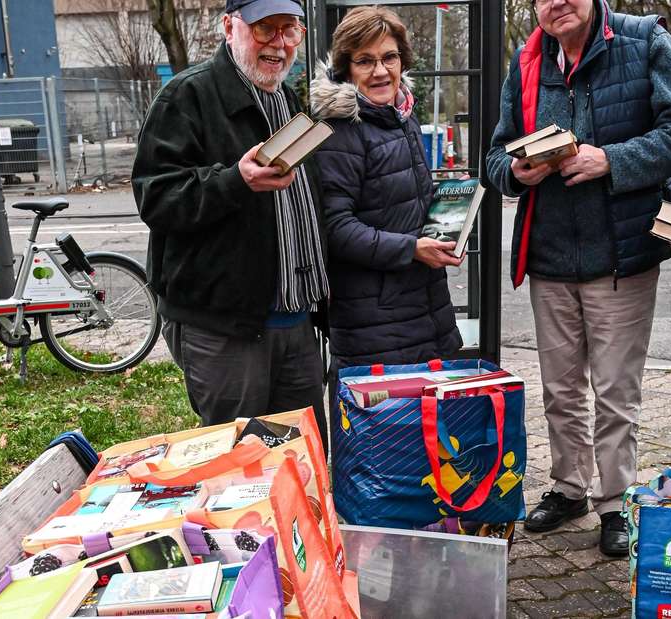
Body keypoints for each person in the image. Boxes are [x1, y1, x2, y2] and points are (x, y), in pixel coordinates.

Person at [485, 0, 671, 556]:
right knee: (560, 390)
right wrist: (515, 171)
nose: (557, 3)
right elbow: (494, 156)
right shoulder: (527, 60)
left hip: (621, 256)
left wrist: (611, 160)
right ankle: (569, 488)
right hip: (550, 257)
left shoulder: (644, 41)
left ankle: (615, 502)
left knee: (614, 393)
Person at [132, 0, 331, 444]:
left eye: (289, 30)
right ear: (229, 27)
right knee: (238, 462)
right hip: (225, 330)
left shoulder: (286, 98)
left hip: (296, 324)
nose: (278, 44)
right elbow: (155, 197)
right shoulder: (188, 96)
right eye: (264, 29)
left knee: (298, 458)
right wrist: (234, 182)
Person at [309, 5, 463, 431]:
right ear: (346, 69)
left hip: (426, 311)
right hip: (374, 326)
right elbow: (335, 229)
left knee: (430, 444)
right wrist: (411, 248)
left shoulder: (401, 117)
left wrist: (450, 216)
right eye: (365, 61)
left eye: (389, 57)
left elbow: (402, 204)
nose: (380, 71)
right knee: (384, 446)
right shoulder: (339, 132)